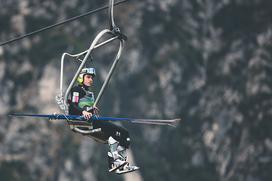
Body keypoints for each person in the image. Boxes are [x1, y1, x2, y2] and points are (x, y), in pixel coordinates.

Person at [68, 67, 139, 173]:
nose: (90, 80)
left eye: (91, 78)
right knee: (115, 133)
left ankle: (120, 163)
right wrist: (84, 112)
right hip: (85, 122)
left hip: (92, 120)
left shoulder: (89, 93)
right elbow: (73, 106)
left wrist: (90, 109)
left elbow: (85, 106)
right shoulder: (76, 90)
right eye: (88, 77)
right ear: (81, 78)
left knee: (125, 134)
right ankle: (115, 161)